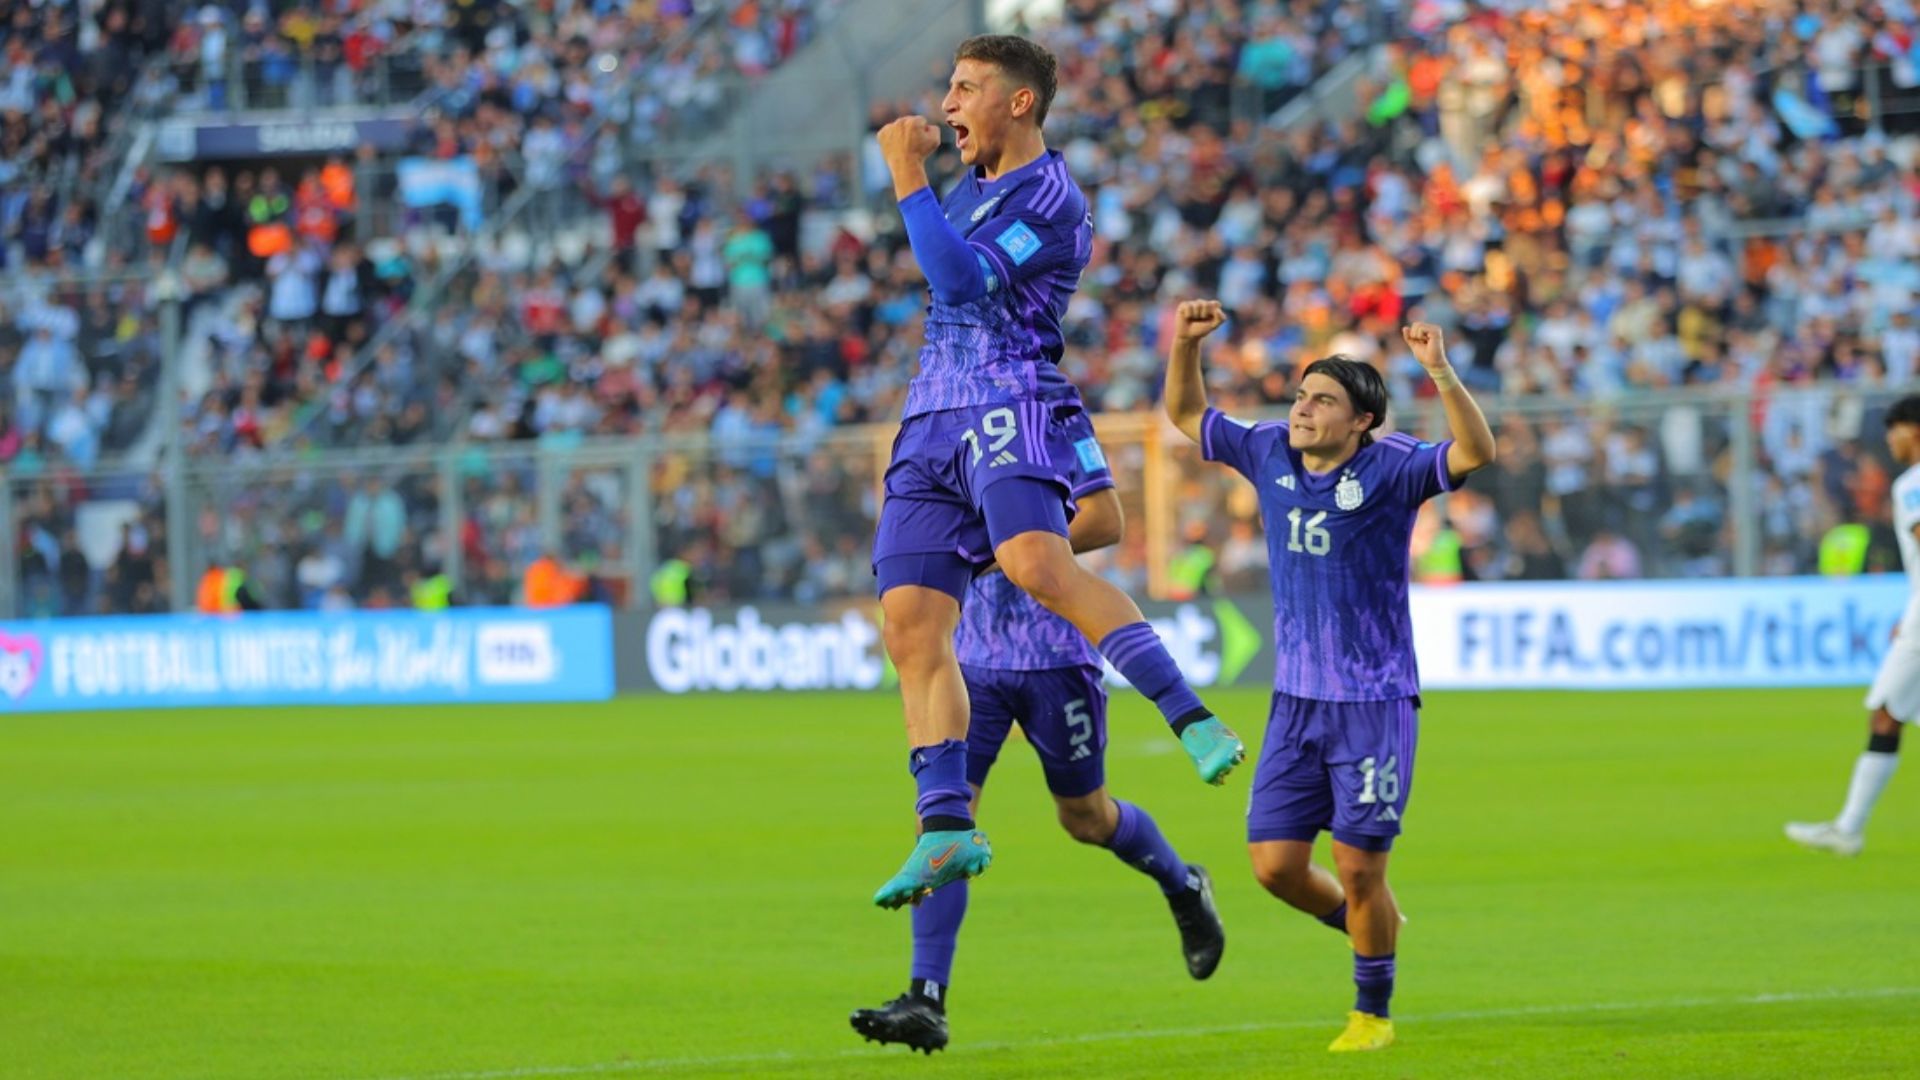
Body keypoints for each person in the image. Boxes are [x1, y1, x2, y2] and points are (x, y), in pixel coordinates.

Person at [868, 36, 1244, 911]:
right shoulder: (972, 188)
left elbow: (959, 282)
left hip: (1007, 400)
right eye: (949, 88)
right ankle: (945, 826)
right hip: (929, 416)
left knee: (1039, 565)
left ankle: (1191, 717)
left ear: (1020, 102)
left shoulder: (1051, 195)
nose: (949, 105)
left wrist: (903, 176)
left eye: (966, 90)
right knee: (911, 628)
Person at [1164, 302, 1496, 1052]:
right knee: (1276, 867)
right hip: (1294, 704)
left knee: (1358, 867)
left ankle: (1371, 1011)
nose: (1302, 409)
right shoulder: (1268, 451)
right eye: (1302, 395)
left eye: (1322, 401)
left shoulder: (1393, 467)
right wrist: (1185, 345)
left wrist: (1440, 370)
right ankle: (1370, 924)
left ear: (1361, 422)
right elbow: (1187, 411)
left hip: (1372, 702)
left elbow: (1475, 451)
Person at [851, 420, 1225, 1053]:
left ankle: (1182, 883)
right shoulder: (948, 420)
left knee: (1085, 817)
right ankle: (926, 997)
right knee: (944, 826)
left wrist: (1005, 547)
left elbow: (1105, 521)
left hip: (1057, 659)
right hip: (973, 664)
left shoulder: (1052, 418)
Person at [1786, 395, 1920, 856]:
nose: (1890, 440)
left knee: (1886, 712)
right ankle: (1849, 827)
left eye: (1894, 429)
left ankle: (1849, 829)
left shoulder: (1912, 485)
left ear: (1913, 430)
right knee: (1887, 713)